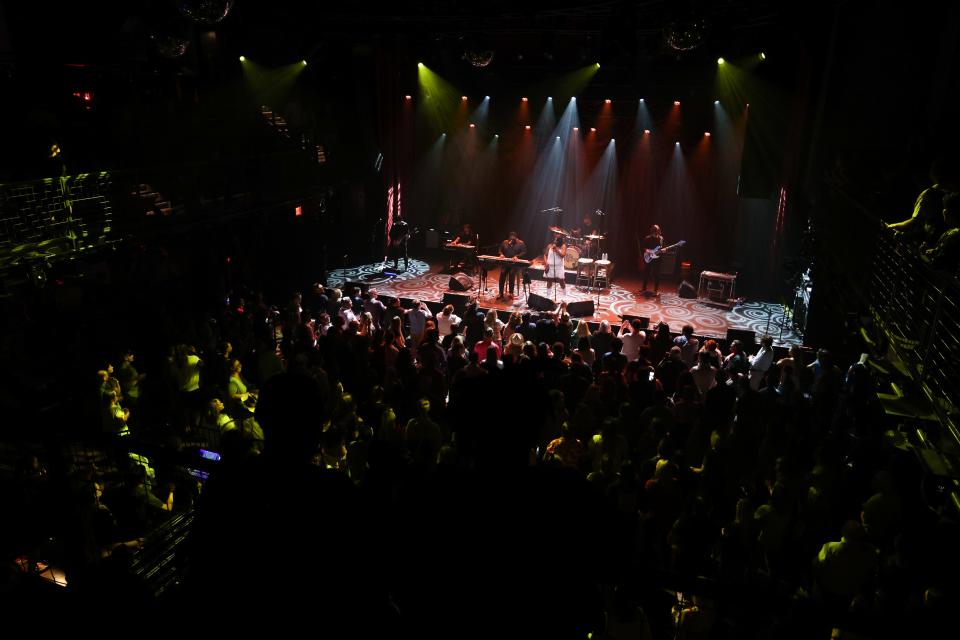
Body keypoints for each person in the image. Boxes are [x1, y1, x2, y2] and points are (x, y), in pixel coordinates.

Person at [920, 192, 960, 270]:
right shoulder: (952, 230)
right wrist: (933, 250)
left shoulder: (955, 235)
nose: (944, 211)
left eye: (946, 208)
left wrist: (930, 254)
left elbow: (943, 262)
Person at [497, 231, 527, 299]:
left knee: (512, 274)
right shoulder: (505, 242)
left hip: (515, 264)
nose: (511, 240)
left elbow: (524, 252)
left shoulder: (520, 243)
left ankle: (511, 292)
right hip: (505, 263)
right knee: (502, 275)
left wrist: (517, 256)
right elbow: (500, 249)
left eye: (513, 239)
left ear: (516, 238)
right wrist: (501, 254)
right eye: (510, 239)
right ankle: (500, 293)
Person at [641, 224, 667, 294]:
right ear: (652, 231)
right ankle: (644, 288)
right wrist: (650, 251)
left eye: (658, 230)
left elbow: (663, 248)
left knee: (657, 274)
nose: (657, 232)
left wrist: (664, 250)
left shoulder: (661, 239)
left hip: (657, 259)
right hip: (649, 258)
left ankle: (655, 290)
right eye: (656, 231)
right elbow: (644, 248)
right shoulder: (647, 238)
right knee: (647, 273)